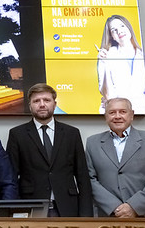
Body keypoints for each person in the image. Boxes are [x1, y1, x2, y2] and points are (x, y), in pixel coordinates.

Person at [6, 83, 93, 217]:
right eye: (36, 101)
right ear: (30, 106)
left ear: (54, 103)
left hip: (68, 207)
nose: (42, 104)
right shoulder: (17, 134)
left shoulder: (72, 133)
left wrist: (86, 215)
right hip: (31, 207)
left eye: (46, 100)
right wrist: (16, 212)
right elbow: (10, 177)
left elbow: (82, 176)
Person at [85, 97, 145, 217]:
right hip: (109, 217)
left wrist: (134, 206)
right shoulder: (93, 143)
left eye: (123, 112)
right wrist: (115, 207)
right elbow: (89, 180)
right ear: (106, 116)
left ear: (132, 115)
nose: (117, 116)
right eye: (112, 112)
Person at [96, 15, 145, 114]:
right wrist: (106, 64)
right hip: (115, 113)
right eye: (113, 30)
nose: (119, 31)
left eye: (122, 26)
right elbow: (108, 95)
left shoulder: (143, 54)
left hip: (141, 110)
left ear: (129, 27)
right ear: (111, 36)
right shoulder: (107, 56)